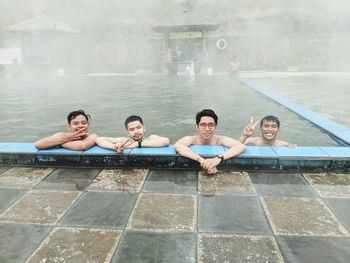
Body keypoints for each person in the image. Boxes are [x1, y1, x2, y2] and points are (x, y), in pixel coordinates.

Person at [174, 109, 245, 174]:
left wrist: (218, 158)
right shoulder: (192, 139)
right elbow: (178, 145)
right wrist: (201, 160)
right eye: (203, 125)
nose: (207, 129)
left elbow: (240, 146)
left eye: (211, 125)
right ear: (197, 127)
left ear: (215, 126)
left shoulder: (220, 140)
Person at [95, 115, 170, 152]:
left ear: (144, 128)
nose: (136, 132)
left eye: (138, 127)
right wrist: (114, 147)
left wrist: (137, 144)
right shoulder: (125, 141)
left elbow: (166, 141)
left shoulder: (151, 138)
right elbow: (99, 139)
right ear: (127, 132)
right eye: (131, 129)